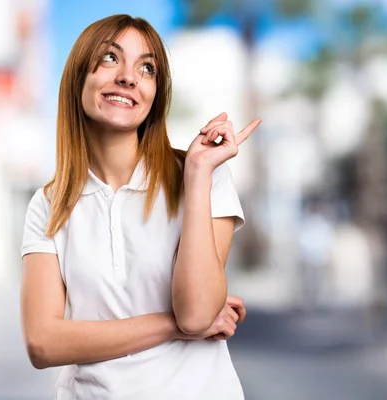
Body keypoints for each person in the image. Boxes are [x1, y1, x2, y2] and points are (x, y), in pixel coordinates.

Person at [20, 14, 261, 399]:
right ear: (78, 78)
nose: (129, 77)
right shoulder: (50, 203)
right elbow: (43, 343)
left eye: (146, 68)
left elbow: (198, 312)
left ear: (154, 94)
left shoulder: (206, 176)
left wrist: (197, 174)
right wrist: (172, 325)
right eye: (110, 59)